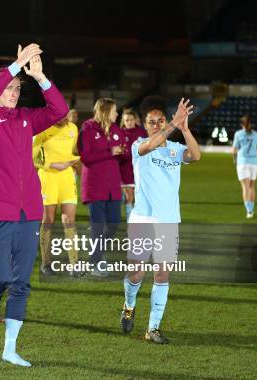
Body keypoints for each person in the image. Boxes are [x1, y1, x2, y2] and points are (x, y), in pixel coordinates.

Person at [0, 43, 68, 367]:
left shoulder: (26, 119)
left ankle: (10, 347)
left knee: (21, 282)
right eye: (9, 87)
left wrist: (40, 77)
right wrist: (16, 64)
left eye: (17, 88)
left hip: (28, 211)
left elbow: (59, 111)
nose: (13, 91)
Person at [120, 96, 199, 344]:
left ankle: (152, 328)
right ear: (145, 125)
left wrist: (184, 128)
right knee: (136, 274)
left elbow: (195, 155)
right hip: (142, 218)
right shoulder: (139, 145)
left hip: (168, 220)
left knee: (162, 275)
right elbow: (151, 145)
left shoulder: (174, 149)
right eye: (152, 122)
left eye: (160, 120)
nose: (156, 125)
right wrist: (173, 123)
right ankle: (129, 304)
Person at [77, 98, 124, 277]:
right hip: (95, 186)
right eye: (114, 110)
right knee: (97, 226)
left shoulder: (117, 130)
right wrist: (110, 152)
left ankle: (93, 259)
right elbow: (86, 156)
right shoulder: (88, 128)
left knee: (114, 223)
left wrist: (124, 152)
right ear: (105, 111)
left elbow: (122, 155)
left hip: (113, 185)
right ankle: (96, 263)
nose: (117, 114)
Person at [32, 115, 81, 277]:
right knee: (48, 221)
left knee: (69, 220)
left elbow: (73, 151)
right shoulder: (43, 129)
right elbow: (33, 157)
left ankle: (74, 264)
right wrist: (52, 164)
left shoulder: (73, 128)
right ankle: (45, 263)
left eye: (66, 115)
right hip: (48, 178)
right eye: (60, 116)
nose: (64, 119)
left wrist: (75, 161)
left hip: (67, 178)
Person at [232, 114, 257, 218]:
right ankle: (251, 209)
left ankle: (248, 210)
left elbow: (234, 150)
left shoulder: (238, 134)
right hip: (254, 163)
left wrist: (234, 159)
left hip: (242, 162)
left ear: (241, 124)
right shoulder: (256, 135)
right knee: (251, 186)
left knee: (245, 187)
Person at [119, 108, 147, 221]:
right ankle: (130, 223)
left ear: (135, 120)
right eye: (127, 120)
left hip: (140, 170)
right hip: (125, 170)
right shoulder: (120, 133)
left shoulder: (142, 132)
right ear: (123, 121)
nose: (129, 122)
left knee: (138, 199)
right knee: (129, 197)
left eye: (131, 119)